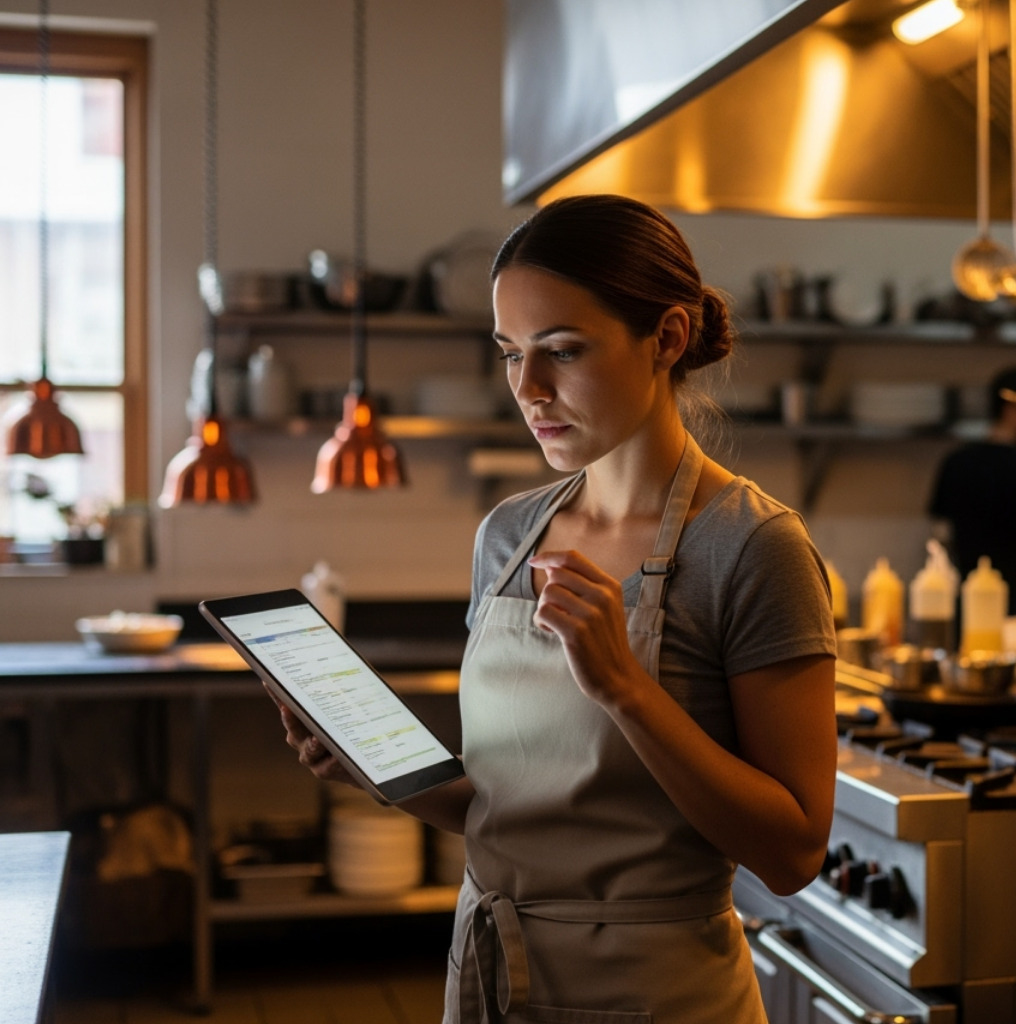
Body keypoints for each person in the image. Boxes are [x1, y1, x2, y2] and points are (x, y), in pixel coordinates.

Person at [273, 194, 837, 1022]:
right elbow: (501, 811)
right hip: (495, 978)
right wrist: (378, 768)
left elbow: (792, 852)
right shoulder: (508, 536)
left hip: (656, 994)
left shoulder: (754, 548)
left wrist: (626, 689)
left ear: (668, 339)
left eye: (562, 351)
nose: (529, 389)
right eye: (509, 354)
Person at [928, 367, 1016, 614]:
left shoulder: (955, 463)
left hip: (964, 609)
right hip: (1013, 611)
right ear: (1013, 410)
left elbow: (941, 539)